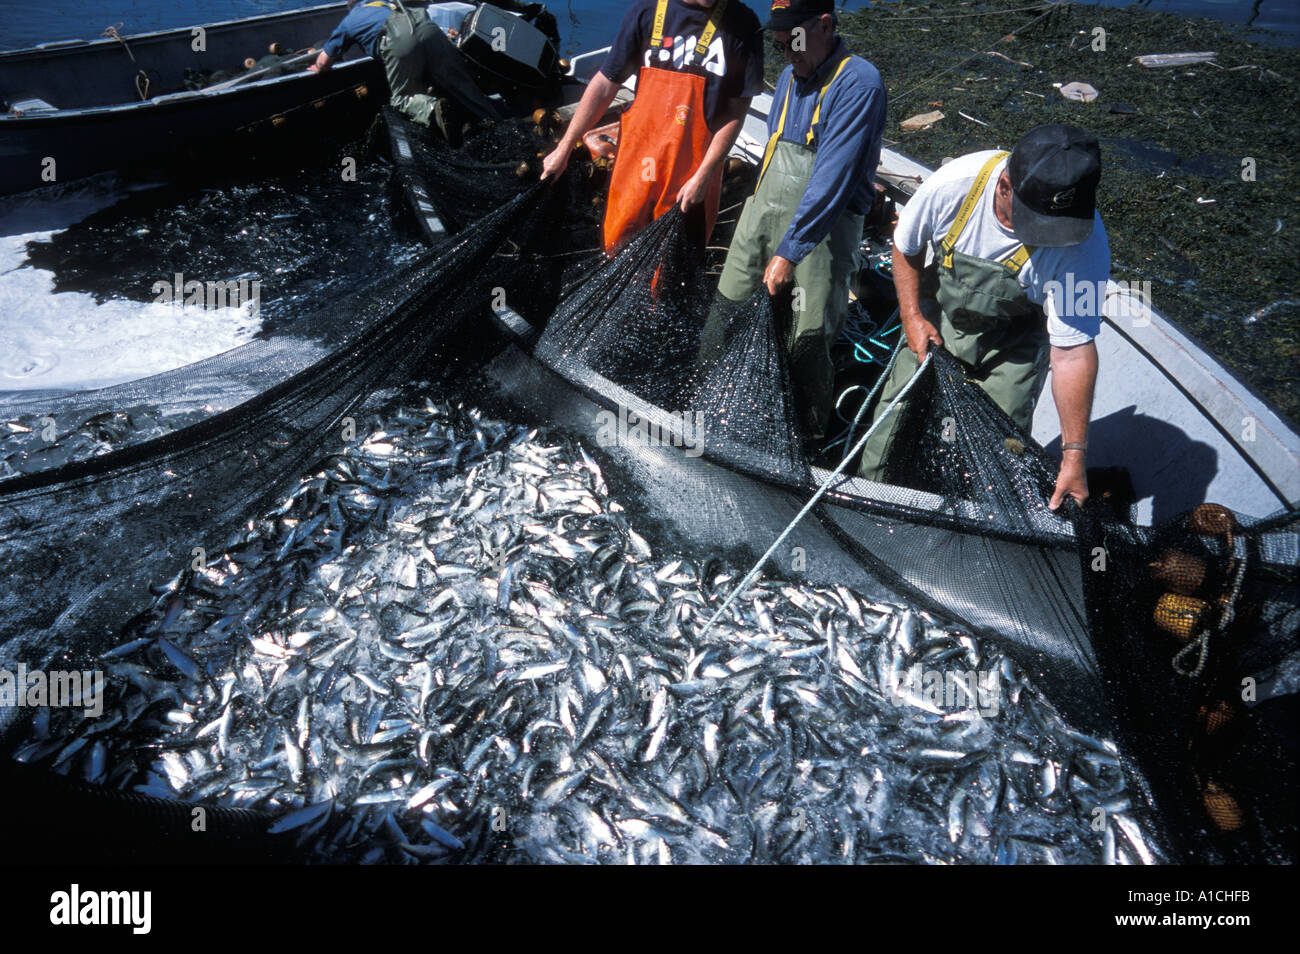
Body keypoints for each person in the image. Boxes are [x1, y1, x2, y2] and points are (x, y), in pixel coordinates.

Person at [856, 123, 1110, 511]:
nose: (1048, 237)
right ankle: (872, 507)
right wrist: (911, 317)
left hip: (1014, 346)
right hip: (938, 321)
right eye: (1037, 222)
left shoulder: (1085, 246)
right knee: (891, 426)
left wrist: (1074, 455)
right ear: (1005, 185)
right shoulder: (954, 185)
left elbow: (1072, 353)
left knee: (999, 454)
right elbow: (905, 247)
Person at [707, 0, 886, 442]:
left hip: (823, 234)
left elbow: (832, 178)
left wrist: (790, 251)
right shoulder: (789, 76)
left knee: (806, 340)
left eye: (796, 43)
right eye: (780, 45)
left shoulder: (859, 83)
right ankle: (712, 402)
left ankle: (804, 438)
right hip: (762, 217)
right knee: (725, 311)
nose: (788, 55)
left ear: (825, 25)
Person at [540, 0, 764, 254]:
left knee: (674, 263)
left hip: (693, 172)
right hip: (638, 165)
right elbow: (605, 84)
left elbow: (735, 112)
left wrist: (704, 176)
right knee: (617, 248)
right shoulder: (646, 11)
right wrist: (564, 147)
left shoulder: (743, 24)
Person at [310, 0, 501, 142]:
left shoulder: (349, 20)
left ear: (352, 6)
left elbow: (324, 62)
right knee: (462, 83)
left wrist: (317, 67)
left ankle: (433, 109)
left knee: (401, 97)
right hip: (427, 27)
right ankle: (496, 121)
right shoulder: (385, 4)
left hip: (398, 37)